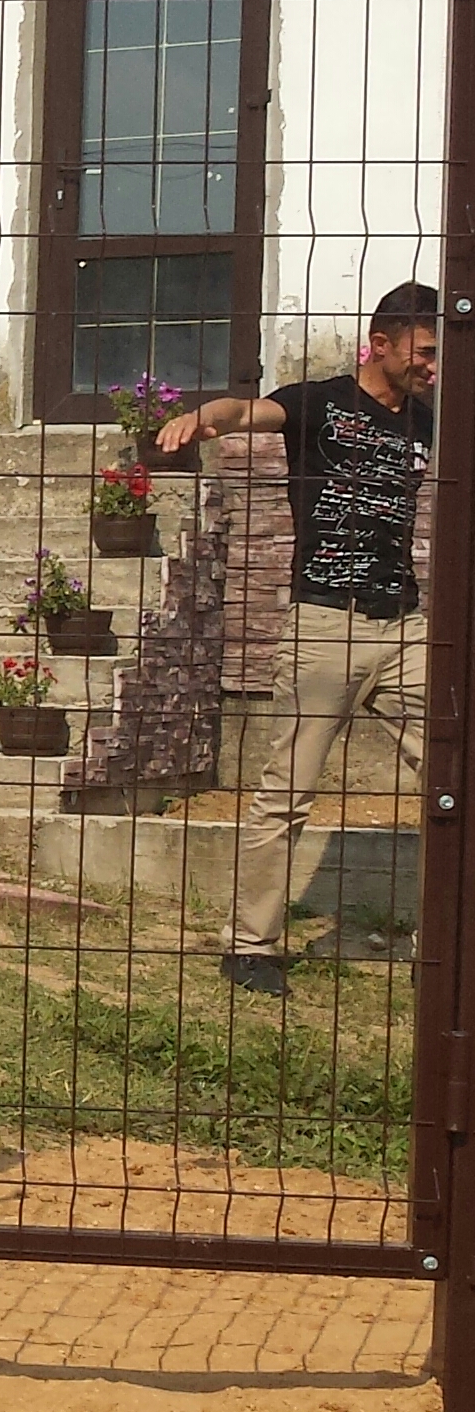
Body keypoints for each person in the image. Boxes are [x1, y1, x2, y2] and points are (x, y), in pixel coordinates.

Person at [155, 281, 438, 996]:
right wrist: (202, 418)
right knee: (288, 794)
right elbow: (246, 410)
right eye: (425, 351)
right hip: (326, 626)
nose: (433, 366)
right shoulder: (320, 402)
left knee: (451, 780)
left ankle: (444, 946)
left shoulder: (427, 420)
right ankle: (250, 946)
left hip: (405, 626)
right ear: (380, 344)